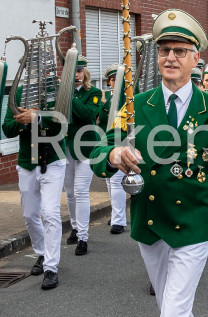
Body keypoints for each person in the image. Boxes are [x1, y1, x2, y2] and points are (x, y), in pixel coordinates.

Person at [90, 9, 208, 316]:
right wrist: (112, 155)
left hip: (193, 225)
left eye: (180, 51)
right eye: (164, 51)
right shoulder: (135, 106)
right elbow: (97, 152)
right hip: (150, 224)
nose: (170, 58)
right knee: (168, 305)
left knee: (173, 312)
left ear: (195, 59)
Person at [2, 83, 66, 290]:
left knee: (50, 213)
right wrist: (23, 121)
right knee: (30, 214)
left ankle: (51, 268)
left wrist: (38, 117)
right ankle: (42, 253)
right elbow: (7, 128)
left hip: (53, 159)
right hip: (27, 161)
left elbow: (63, 123)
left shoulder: (56, 89)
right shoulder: (18, 93)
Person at [64, 56, 101, 255]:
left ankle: (83, 237)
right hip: (66, 146)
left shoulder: (93, 92)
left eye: (79, 72)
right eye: (73, 71)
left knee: (80, 191)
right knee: (69, 192)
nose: (77, 75)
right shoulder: (62, 92)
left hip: (86, 147)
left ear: (84, 73)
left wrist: (69, 96)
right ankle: (75, 228)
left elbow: (88, 115)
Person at [98, 64, 127, 234]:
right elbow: (101, 121)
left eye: (119, 79)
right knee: (109, 181)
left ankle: (119, 221)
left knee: (116, 181)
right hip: (107, 142)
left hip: (123, 142)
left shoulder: (128, 97)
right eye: (113, 79)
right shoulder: (106, 99)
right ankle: (116, 214)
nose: (115, 82)